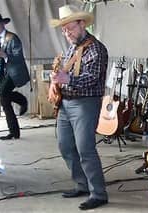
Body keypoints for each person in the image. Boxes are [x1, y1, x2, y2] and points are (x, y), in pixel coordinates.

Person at [48, 5, 108, 210]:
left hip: (85, 103)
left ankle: (98, 193)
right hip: (66, 102)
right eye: (64, 30)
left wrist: (67, 79)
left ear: (82, 24)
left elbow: (92, 79)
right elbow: (67, 71)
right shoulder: (72, 47)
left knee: (85, 149)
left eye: (70, 29)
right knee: (65, 146)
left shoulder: (97, 48)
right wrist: (57, 79)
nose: (67, 34)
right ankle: (82, 184)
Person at [0, 13, 30, 140]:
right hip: (5, 72)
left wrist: (4, 55)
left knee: (3, 95)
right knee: (4, 99)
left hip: (14, 72)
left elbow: (18, 56)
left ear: (2, 24)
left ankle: (14, 129)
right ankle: (14, 131)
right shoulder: (0, 38)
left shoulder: (12, 38)